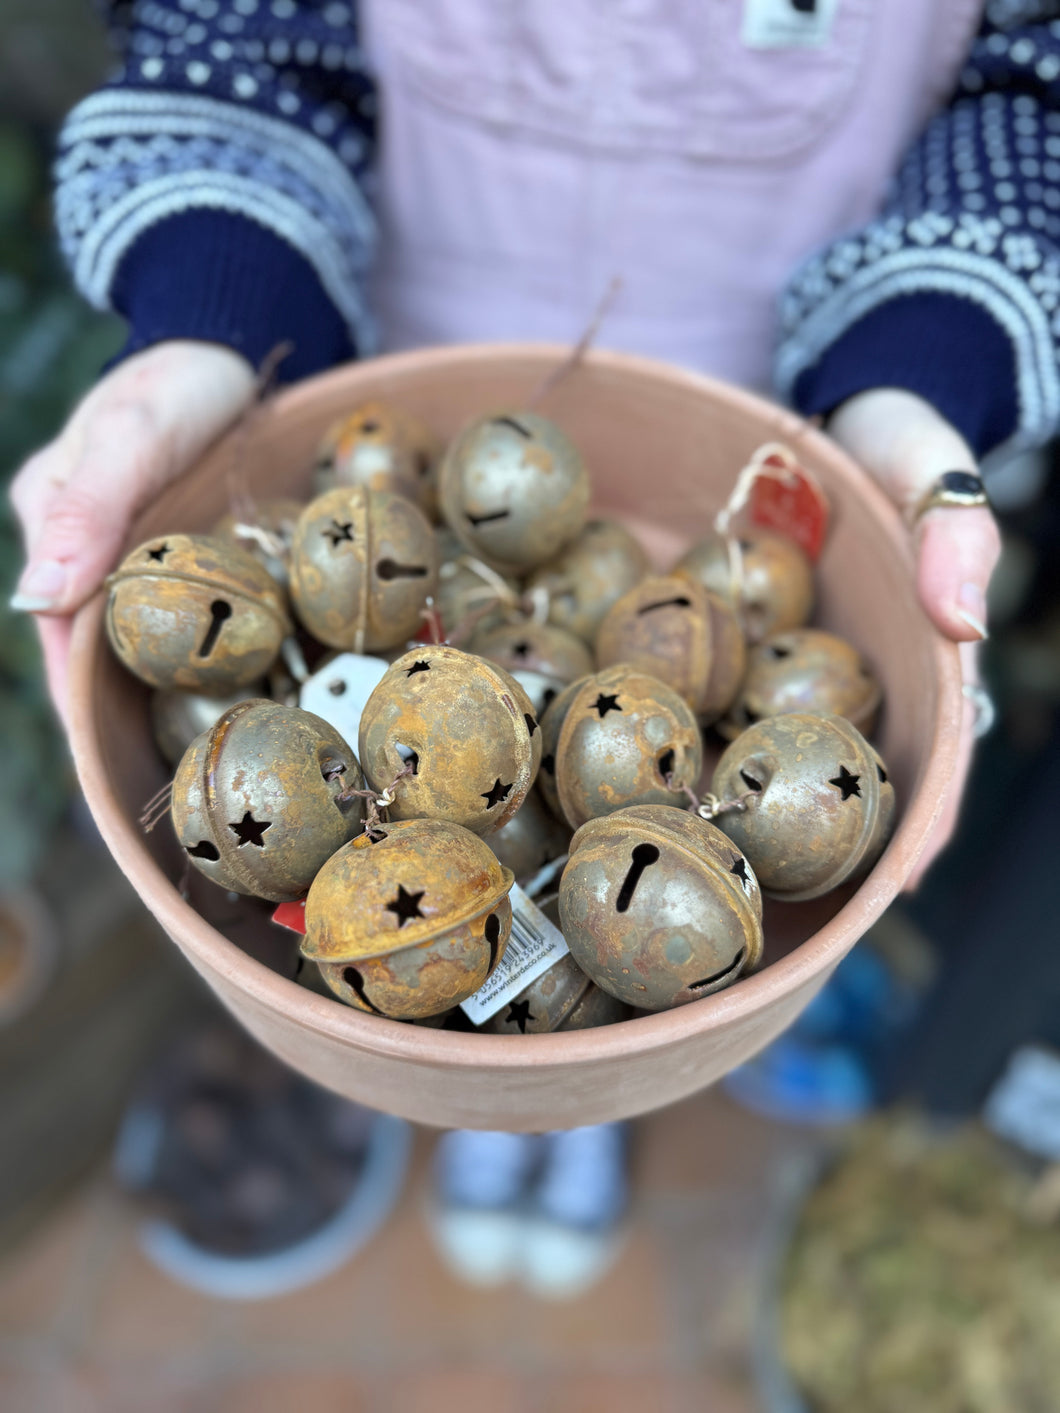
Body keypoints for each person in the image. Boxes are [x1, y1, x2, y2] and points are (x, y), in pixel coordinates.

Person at [11, 0, 1043, 1291]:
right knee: (482, 1004)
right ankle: (488, 1105)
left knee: (607, 1013)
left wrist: (927, 361)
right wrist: (216, 302)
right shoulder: (394, 645)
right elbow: (229, 36)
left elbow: (1038, 83)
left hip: (776, 378)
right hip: (404, 328)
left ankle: (579, 1108)